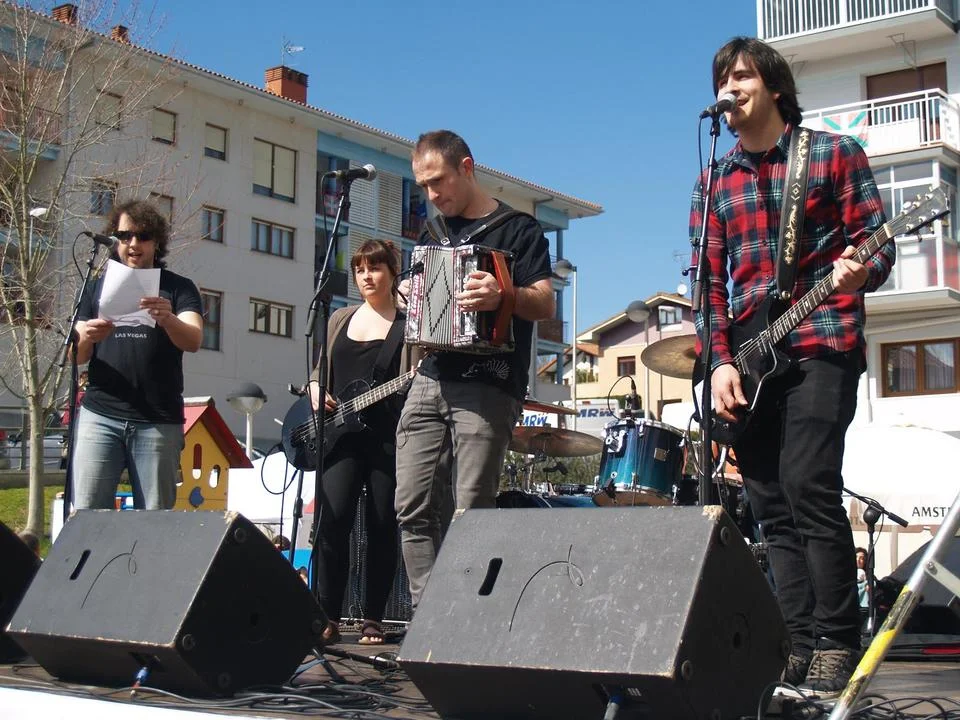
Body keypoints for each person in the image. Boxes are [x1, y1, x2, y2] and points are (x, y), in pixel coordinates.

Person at [689, 38, 895, 696]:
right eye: (721, 81)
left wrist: (860, 270)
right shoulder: (714, 181)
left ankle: (838, 639)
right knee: (770, 504)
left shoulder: (832, 153)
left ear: (775, 86)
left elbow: (878, 246)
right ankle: (798, 643)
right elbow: (706, 286)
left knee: (808, 483)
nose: (728, 90)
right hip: (749, 360)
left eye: (741, 76)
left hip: (822, 339)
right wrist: (719, 362)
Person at [395, 130, 556, 608]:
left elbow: (544, 303)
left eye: (438, 181)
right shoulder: (432, 234)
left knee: (473, 512)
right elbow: (416, 288)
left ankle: (466, 619)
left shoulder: (519, 229)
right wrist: (406, 294)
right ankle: (428, 614)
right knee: (411, 505)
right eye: (423, 186)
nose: (431, 194)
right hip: (431, 377)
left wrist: (504, 294)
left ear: (466, 168)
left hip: (489, 383)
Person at [307, 239, 414, 645]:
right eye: (360, 270)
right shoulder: (340, 318)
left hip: (389, 438)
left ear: (392, 272)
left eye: (375, 268)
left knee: (382, 525)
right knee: (332, 522)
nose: (367, 277)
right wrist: (315, 389)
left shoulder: (408, 323)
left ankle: (373, 618)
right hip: (340, 436)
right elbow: (320, 371)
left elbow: (417, 381)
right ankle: (326, 616)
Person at [72, 200, 203, 510]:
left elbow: (194, 339)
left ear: (156, 242)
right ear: (114, 239)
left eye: (143, 236)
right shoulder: (94, 286)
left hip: (157, 421)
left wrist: (168, 319)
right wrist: (87, 336)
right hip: (100, 415)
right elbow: (74, 356)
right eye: (124, 235)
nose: (133, 244)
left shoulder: (178, 288)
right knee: (88, 513)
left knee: (154, 519)